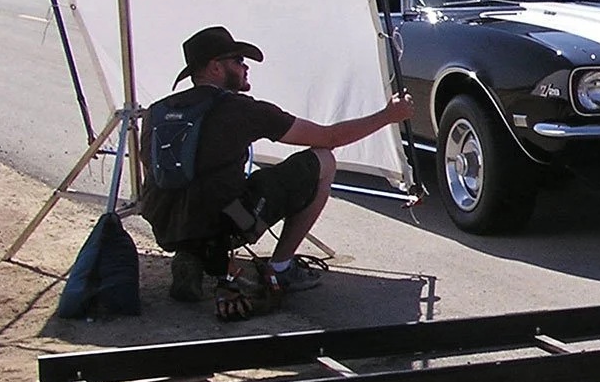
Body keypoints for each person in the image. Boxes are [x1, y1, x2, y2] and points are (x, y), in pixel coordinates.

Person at [140, 25, 414, 319]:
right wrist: (388, 116)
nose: (245, 68)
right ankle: (280, 266)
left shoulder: (157, 111)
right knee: (323, 160)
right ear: (215, 68)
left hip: (166, 225)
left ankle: (192, 255)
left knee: (209, 191)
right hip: (223, 223)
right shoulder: (241, 109)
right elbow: (330, 138)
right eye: (238, 61)